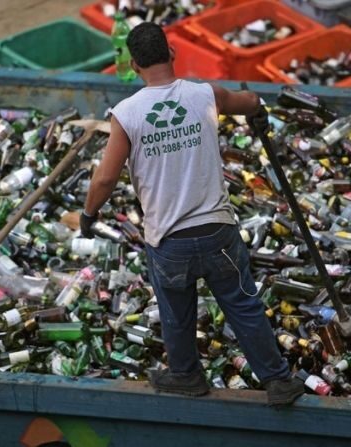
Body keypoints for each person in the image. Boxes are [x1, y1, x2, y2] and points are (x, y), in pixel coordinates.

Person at [80, 22, 304, 406]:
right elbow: (246, 101)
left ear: (134, 64)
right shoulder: (204, 95)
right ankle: (278, 381)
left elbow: (104, 180)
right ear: (172, 53)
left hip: (169, 241)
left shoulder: (127, 114)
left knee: (176, 309)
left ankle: (185, 374)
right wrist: (258, 110)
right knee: (243, 304)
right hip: (218, 233)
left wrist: (88, 215)